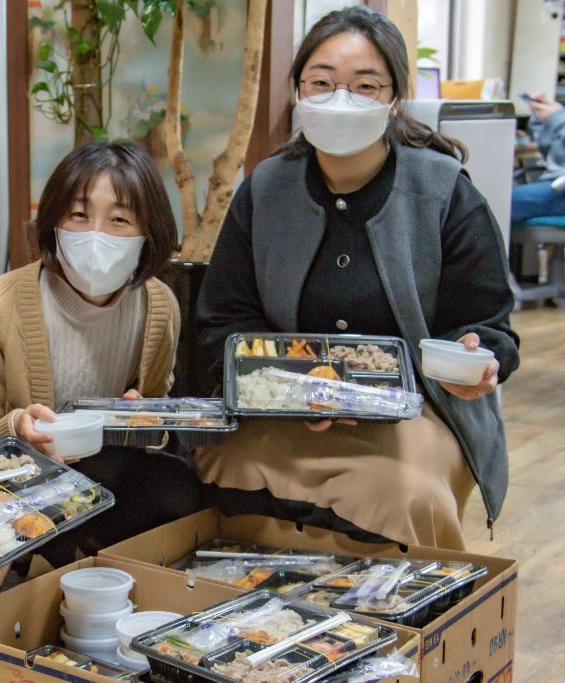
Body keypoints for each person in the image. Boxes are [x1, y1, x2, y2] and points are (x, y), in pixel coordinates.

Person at [194, 6, 520, 551]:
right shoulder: (266, 190)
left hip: (419, 412)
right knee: (217, 463)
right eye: (320, 83)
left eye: (364, 86)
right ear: (298, 91)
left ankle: (398, 625)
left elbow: (489, 330)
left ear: (394, 100)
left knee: (399, 490)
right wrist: (296, 391)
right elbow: (223, 322)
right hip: (290, 408)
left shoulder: (443, 192)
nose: (338, 99)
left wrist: (477, 356)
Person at [0, 139, 206, 598]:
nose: (96, 235)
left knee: (174, 493)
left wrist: (148, 417)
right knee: (47, 515)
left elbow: (155, 418)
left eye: (119, 219)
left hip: (96, 472)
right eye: (78, 215)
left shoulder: (158, 306)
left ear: (148, 230)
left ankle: (83, 563)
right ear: (52, 221)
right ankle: (27, 570)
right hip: (11, 480)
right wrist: (15, 428)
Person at [511, 92, 565, 224]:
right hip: (557, 184)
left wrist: (556, 118)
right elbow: (551, 152)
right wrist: (542, 119)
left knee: (499, 200)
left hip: (560, 189)